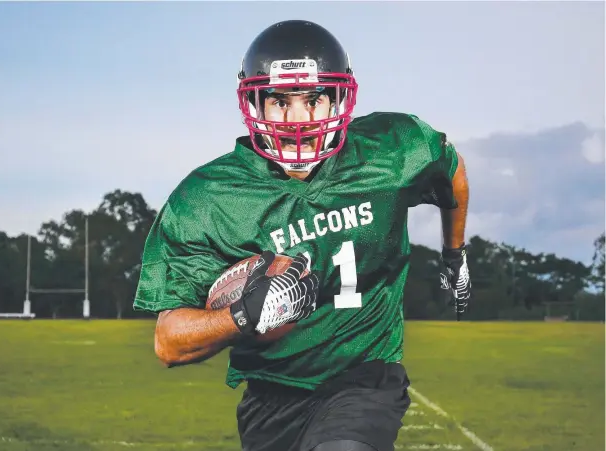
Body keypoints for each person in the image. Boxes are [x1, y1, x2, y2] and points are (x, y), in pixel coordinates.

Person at [133, 19, 471, 451]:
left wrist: (454, 254)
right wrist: (243, 315)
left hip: (365, 376)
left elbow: (452, 171)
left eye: (313, 99)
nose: (298, 119)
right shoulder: (208, 198)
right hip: (270, 398)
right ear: (254, 104)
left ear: (337, 99)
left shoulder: (390, 150)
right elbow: (169, 342)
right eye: (279, 100)